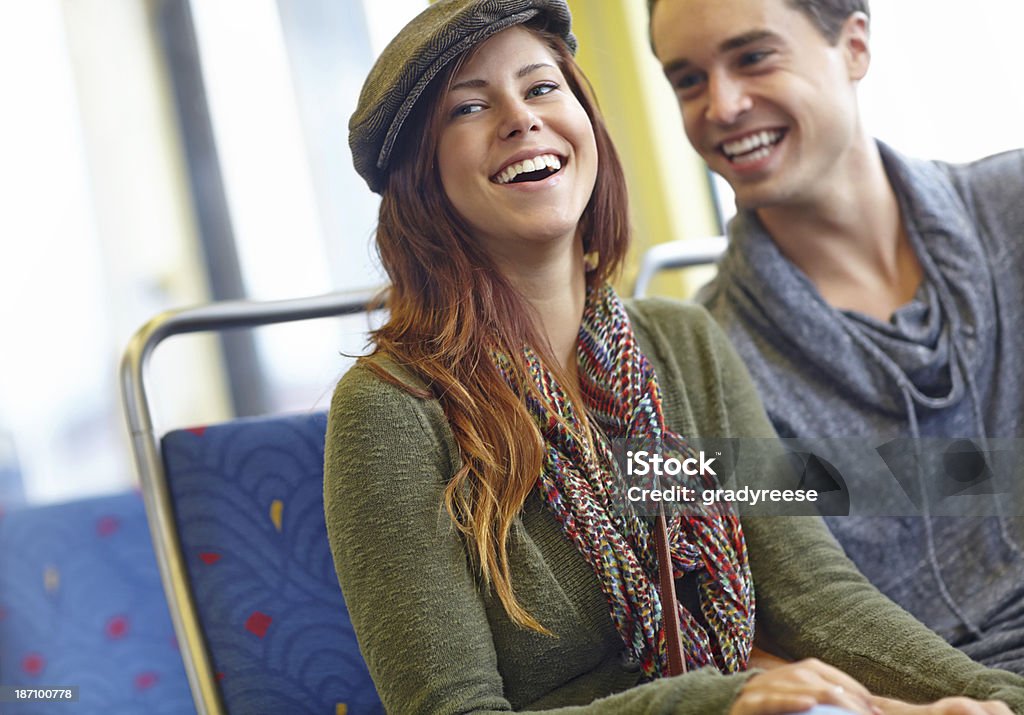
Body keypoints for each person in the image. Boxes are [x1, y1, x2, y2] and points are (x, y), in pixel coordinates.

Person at [326, 0, 1024, 712]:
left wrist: (992, 697)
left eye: (541, 88)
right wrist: (721, 702)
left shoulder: (680, 343)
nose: (520, 118)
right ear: (422, 176)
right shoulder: (391, 408)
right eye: (467, 109)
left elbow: (815, 597)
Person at [647, 0, 1024, 673]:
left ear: (854, 47)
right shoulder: (707, 367)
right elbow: (752, 638)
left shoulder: (1013, 208)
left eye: (753, 57)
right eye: (688, 80)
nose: (722, 106)